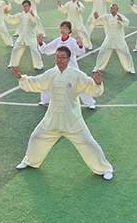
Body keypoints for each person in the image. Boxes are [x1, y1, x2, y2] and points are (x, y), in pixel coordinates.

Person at [11, 46, 113, 180]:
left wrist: (97, 84)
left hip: (73, 120)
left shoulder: (76, 74)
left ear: (68, 59)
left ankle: (104, 169)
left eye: (62, 57)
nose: (59, 60)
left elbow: (91, 87)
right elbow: (36, 82)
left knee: (89, 144)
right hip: (52, 119)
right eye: (57, 57)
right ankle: (30, 161)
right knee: (36, 137)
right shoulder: (51, 74)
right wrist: (21, 78)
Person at [36, 21, 96, 109]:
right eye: (61, 27)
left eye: (65, 28)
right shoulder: (57, 41)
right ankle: (45, 100)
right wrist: (41, 43)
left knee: (80, 84)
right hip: (58, 68)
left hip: (72, 68)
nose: (63, 30)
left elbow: (80, 53)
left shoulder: (72, 41)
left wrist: (80, 45)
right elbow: (47, 49)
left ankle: (90, 103)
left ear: (70, 30)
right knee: (47, 79)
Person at [92, 4, 135, 74]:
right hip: (109, 39)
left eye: (114, 9)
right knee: (102, 52)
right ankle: (98, 67)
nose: (112, 10)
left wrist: (122, 20)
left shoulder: (120, 16)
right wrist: (96, 18)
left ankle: (130, 68)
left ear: (117, 9)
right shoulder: (107, 17)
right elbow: (98, 21)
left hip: (119, 40)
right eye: (111, 9)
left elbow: (127, 23)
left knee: (126, 53)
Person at [4, 0, 44, 70]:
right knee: (15, 50)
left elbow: (35, 22)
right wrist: (7, 14)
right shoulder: (21, 15)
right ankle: (13, 64)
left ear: (30, 6)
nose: (25, 7)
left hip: (31, 37)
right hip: (22, 37)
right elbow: (12, 20)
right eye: (23, 6)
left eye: (26, 6)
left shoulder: (33, 15)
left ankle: (38, 65)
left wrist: (33, 16)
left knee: (34, 51)